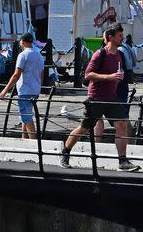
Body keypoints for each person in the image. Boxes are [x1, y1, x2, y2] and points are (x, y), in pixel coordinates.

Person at [59, 23, 139, 171]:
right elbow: (88, 75)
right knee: (84, 128)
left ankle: (123, 161)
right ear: (110, 37)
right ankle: (65, 152)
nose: (122, 38)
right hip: (96, 97)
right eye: (119, 36)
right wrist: (110, 77)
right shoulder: (100, 54)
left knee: (121, 125)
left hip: (112, 97)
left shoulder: (119, 54)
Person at [0, 33, 45, 139]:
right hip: (35, 90)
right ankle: (24, 140)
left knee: (27, 118)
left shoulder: (23, 55)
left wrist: (5, 90)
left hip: (25, 90)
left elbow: (16, 74)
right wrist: (39, 86)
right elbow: (41, 74)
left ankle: (34, 144)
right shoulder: (39, 55)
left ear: (22, 42)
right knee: (25, 117)